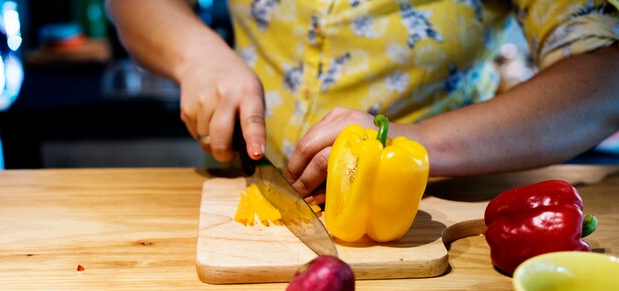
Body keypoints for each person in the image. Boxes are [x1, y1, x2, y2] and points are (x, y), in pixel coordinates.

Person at [106, 0, 619, 204]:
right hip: (251, 194)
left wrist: (405, 147)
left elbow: (605, 79)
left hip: (429, 209)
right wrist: (196, 53)